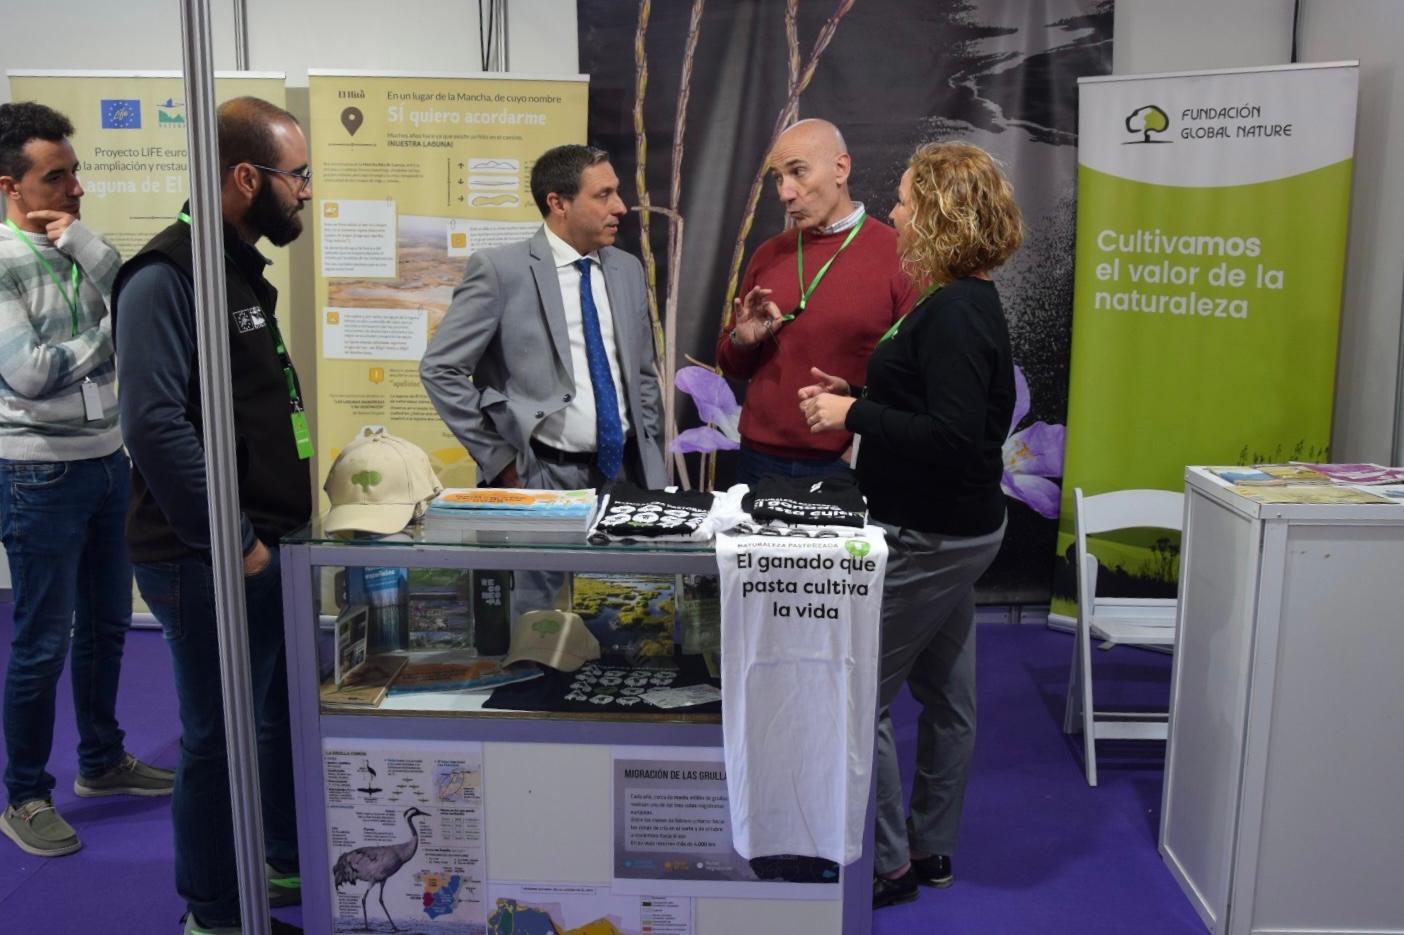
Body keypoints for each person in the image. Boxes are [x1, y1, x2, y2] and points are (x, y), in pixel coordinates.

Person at [798, 141, 1022, 909]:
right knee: (948, 695)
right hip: (955, 530)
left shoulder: (955, 310)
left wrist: (852, 413)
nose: (892, 214)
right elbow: (944, 408)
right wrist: (859, 393)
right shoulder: (963, 298)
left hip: (930, 534)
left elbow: (954, 436)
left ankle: (886, 864)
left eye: (902, 201)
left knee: (857, 696)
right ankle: (931, 847)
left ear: (938, 214)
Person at [112, 96, 310, 935]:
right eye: (297, 174)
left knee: (270, 716)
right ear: (245, 178)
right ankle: (216, 911)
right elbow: (153, 425)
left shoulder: (232, 265)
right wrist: (234, 543)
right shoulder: (166, 274)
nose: (306, 190)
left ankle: (280, 860)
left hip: (259, 544)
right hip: (203, 559)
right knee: (215, 737)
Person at [0, 101, 173, 859]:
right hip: (36, 472)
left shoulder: (74, 243)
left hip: (107, 459)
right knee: (42, 641)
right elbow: (30, 374)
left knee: (107, 626)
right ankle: (25, 795)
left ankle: (101, 761)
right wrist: (114, 336)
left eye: (75, 172)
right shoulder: (2, 260)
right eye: (56, 176)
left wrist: (88, 245)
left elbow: (134, 293)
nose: (75, 188)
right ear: (10, 186)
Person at [421, 143, 666, 494]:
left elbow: (642, 372)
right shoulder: (500, 271)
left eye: (617, 192)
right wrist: (501, 461)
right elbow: (440, 369)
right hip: (541, 478)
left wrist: (649, 447)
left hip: (628, 476)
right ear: (558, 204)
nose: (620, 207)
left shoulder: (628, 270)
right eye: (603, 195)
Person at [715, 118, 919, 483]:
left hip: (844, 465)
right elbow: (732, 364)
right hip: (758, 459)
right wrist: (742, 340)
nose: (785, 192)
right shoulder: (768, 254)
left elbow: (914, 377)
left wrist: (859, 446)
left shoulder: (898, 255)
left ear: (841, 168)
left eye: (798, 172)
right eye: (778, 178)